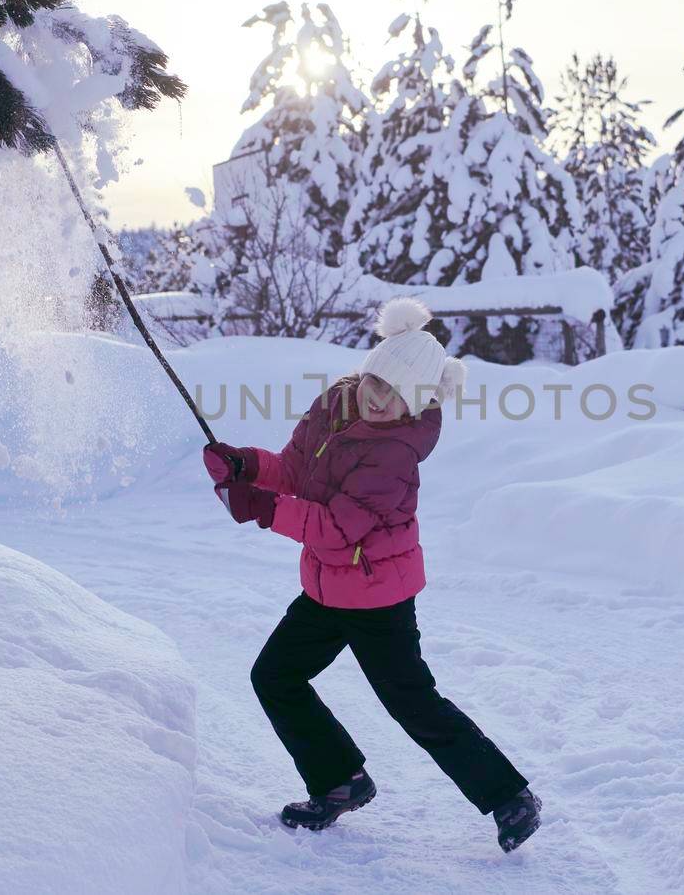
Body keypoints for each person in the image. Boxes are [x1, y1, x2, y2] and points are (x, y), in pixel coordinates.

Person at [202, 297, 542, 853]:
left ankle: (509, 797)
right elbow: (293, 468)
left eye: (394, 395)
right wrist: (246, 464)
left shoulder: (395, 452)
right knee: (275, 677)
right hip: (327, 586)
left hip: (378, 597)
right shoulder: (336, 402)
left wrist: (262, 509)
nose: (378, 399)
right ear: (369, 366)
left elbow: (337, 526)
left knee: (413, 704)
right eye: (375, 381)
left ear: (416, 403)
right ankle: (340, 781)